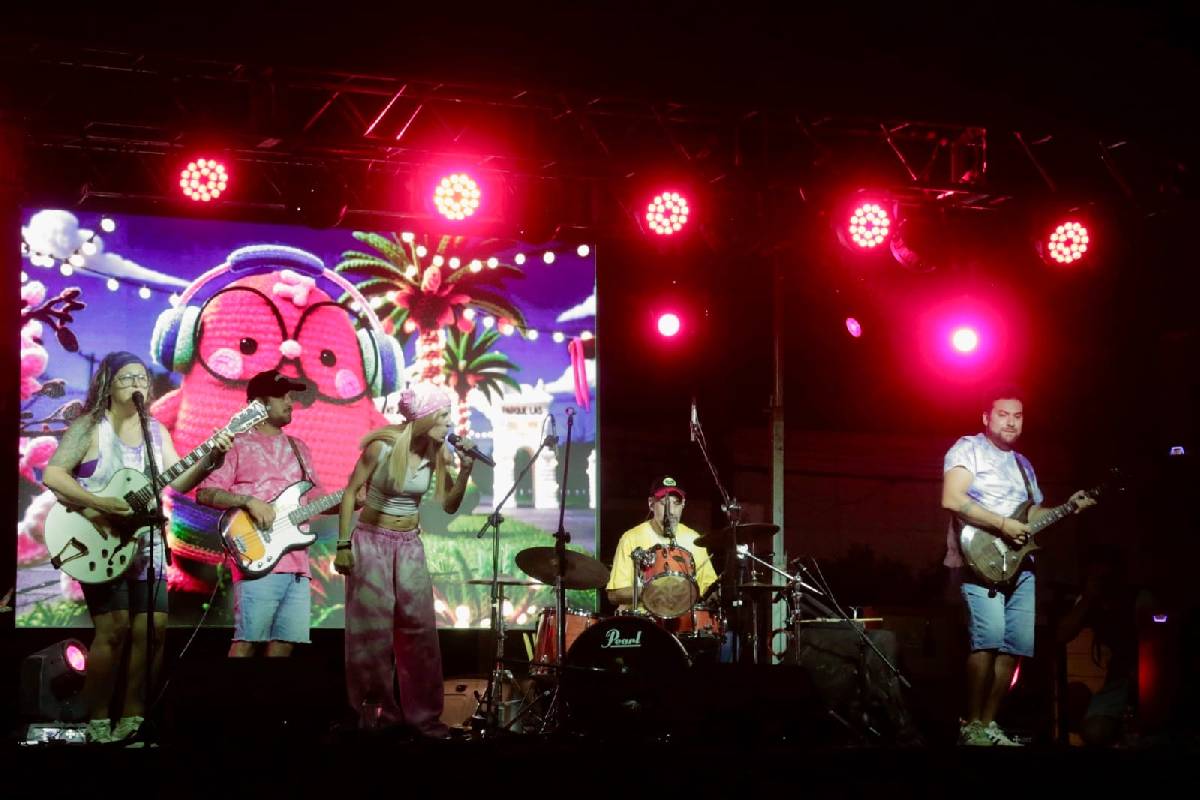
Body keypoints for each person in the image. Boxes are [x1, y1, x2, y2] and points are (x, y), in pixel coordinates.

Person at [43, 351, 232, 744]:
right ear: (109, 384)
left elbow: (178, 482)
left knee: (154, 629)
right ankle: (97, 718)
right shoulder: (90, 427)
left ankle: (133, 716)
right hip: (100, 538)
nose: (138, 385)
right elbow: (54, 473)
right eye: (128, 378)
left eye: (143, 378)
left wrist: (212, 458)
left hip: (147, 540)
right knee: (113, 631)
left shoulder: (155, 431)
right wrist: (99, 502)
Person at [941, 387, 1096, 746]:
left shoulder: (1023, 465)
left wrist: (1067, 507)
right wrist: (1002, 524)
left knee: (1016, 645)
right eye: (1003, 414)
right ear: (986, 417)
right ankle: (973, 726)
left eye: (1018, 415)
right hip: (980, 558)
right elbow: (952, 498)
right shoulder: (969, 449)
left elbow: (1032, 517)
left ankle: (989, 724)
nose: (1011, 421)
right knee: (988, 639)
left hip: (1021, 564)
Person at [333, 383, 475, 738]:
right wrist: (342, 544)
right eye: (443, 415)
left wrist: (467, 468)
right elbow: (351, 492)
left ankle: (423, 718)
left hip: (409, 543)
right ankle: (377, 716)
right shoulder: (381, 448)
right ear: (425, 417)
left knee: (419, 631)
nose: (448, 423)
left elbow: (449, 504)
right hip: (372, 541)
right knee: (371, 635)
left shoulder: (437, 450)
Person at [197, 369, 328, 659]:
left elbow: (317, 498)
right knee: (246, 642)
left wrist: (353, 498)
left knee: (284, 646)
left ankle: (268, 704)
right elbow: (205, 493)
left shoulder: (300, 448)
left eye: (291, 396)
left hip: (297, 565)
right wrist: (248, 501)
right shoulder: (237, 444)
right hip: (256, 556)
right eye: (282, 396)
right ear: (259, 403)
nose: (289, 401)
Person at [606, 475, 718, 613]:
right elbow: (613, 595)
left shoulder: (694, 539)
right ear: (651, 504)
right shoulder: (631, 538)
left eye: (676, 503)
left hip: (684, 624)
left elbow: (708, 589)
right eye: (664, 503)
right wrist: (650, 592)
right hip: (645, 622)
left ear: (683, 504)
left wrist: (716, 593)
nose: (670, 511)